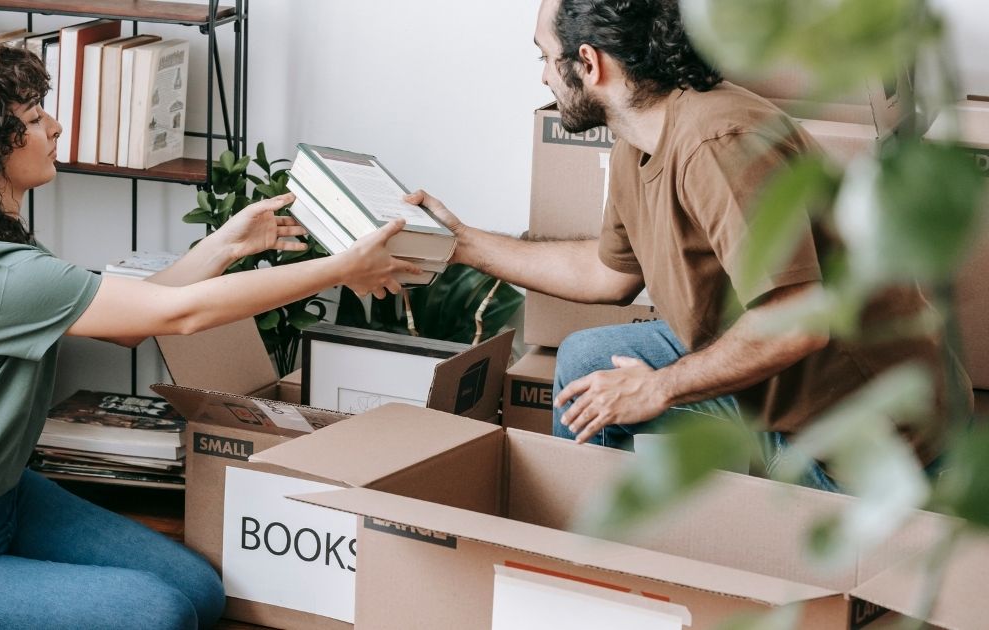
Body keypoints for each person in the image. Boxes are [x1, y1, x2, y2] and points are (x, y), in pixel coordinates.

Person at [0, 38, 418, 630]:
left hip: (0, 503)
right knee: (157, 614)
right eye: (35, 118)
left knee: (198, 591)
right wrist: (341, 268)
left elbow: (134, 320)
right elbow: (181, 316)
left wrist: (229, 243)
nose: (57, 127)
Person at [405, 0, 968, 491]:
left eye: (545, 58)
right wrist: (462, 244)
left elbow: (798, 320)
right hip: (779, 387)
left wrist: (660, 388)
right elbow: (605, 275)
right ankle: (586, 558)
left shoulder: (714, 143)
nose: (543, 78)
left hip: (862, 432)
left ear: (589, 64)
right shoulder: (639, 135)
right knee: (586, 365)